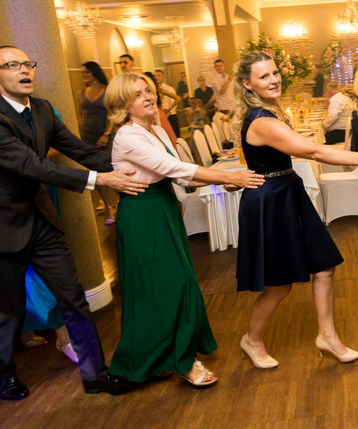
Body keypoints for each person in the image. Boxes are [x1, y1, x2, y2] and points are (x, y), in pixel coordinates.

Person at [0, 45, 148, 400]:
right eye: (12, 65)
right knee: (8, 310)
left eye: (27, 63)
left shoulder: (42, 109)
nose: (24, 70)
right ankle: (2, 374)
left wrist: (130, 164)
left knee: (74, 299)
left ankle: (95, 374)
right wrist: (100, 180)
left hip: (42, 220)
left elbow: (80, 150)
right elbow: (30, 166)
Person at [231, 51, 358, 369]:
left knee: (324, 265)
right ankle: (252, 339)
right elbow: (312, 151)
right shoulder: (260, 120)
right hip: (270, 201)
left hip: (288, 191)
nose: (273, 79)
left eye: (274, 73)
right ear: (247, 84)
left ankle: (327, 337)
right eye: (264, 76)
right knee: (280, 285)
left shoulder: (270, 110)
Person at [104, 72, 262, 387]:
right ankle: (181, 361)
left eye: (148, 91)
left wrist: (224, 182)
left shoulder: (157, 130)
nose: (148, 96)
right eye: (137, 94)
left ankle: (164, 357)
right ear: (122, 104)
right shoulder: (127, 136)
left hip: (164, 207)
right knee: (166, 285)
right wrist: (228, 177)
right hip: (142, 214)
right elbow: (172, 167)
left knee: (171, 284)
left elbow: (181, 177)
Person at [77, 61, 116, 224]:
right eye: (82, 72)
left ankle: (125, 199)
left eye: (87, 72)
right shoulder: (81, 92)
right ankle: (108, 207)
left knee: (110, 168)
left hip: (104, 135)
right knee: (96, 173)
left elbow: (113, 115)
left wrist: (107, 134)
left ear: (95, 72)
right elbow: (82, 115)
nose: (84, 75)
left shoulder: (108, 91)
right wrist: (78, 134)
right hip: (87, 135)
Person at [152, 69, 181, 138]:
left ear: (163, 77)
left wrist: (168, 111)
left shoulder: (168, 88)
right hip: (159, 115)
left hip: (170, 115)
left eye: (159, 76)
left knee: (175, 135)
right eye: (155, 76)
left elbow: (175, 101)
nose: (157, 77)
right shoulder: (153, 89)